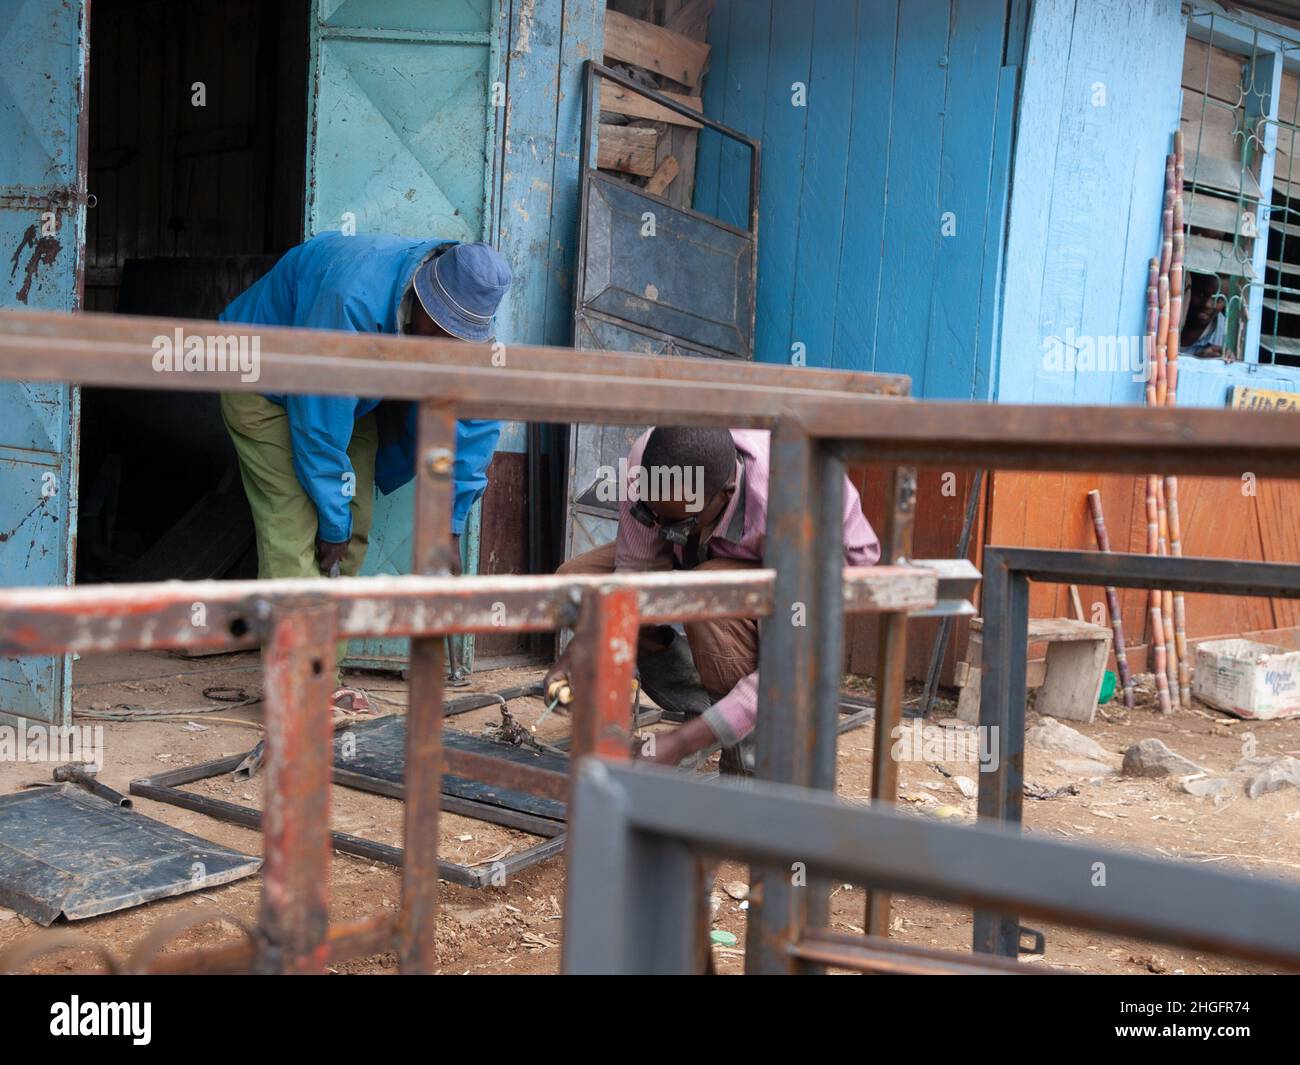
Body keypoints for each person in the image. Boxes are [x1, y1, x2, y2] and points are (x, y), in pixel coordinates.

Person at [218, 232, 511, 695]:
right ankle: (298, 694)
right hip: (262, 379)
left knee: (354, 528)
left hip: (344, 396)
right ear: (418, 301)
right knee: (294, 531)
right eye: (440, 336)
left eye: (459, 342)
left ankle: (322, 681)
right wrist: (329, 523)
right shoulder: (350, 301)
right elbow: (317, 424)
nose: (447, 352)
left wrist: (450, 525)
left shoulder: (468, 323)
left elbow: (476, 422)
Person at [545, 426, 880, 771]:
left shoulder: (797, 508)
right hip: (709, 539)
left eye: (675, 522)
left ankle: (747, 758)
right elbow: (633, 578)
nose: (658, 528)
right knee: (577, 587)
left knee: (709, 593)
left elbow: (789, 665)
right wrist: (581, 647)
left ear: (725, 493)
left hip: (811, 562)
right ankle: (708, 708)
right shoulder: (651, 459)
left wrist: (680, 743)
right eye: (650, 513)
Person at [1180, 272, 1230, 359]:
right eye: (1201, 294)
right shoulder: (1162, 315)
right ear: (1188, 290)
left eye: (1218, 299)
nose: (1207, 305)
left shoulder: (1225, 337)